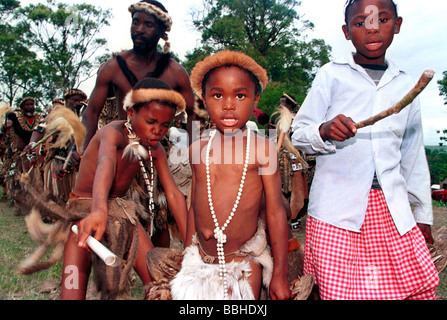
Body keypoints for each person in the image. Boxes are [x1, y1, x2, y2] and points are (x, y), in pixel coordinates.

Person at [291, 0, 439, 300]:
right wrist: (323, 130)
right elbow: (298, 135)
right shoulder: (330, 76)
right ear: (347, 32)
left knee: (408, 288)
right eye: (361, 23)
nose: (372, 28)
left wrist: (422, 214)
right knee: (340, 292)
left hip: (390, 210)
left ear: (397, 25)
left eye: (382, 19)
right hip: (335, 211)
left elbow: (411, 155)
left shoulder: (407, 85)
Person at [170, 50, 291, 300]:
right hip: (199, 261)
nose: (228, 105)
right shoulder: (197, 149)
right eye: (217, 95)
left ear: (255, 100)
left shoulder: (262, 150)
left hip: (243, 264)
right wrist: (187, 252)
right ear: (204, 99)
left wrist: (279, 272)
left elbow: (276, 211)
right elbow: (195, 205)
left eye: (240, 95)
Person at [61, 78, 188, 299]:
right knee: (72, 287)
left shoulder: (154, 148)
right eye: (151, 121)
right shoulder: (113, 133)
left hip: (122, 214)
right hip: (85, 212)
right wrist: (99, 210)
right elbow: (105, 164)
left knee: (159, 283)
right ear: (130, 113)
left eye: (165, 125)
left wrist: (190, 243)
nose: (158, 130)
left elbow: (174, 193)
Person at [82, 0, 195, 151]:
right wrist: (84, 151)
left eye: (148, 25)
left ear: (162, 32)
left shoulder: (175, 72)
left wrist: (194, 155)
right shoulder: (113, 67)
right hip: (121, 148)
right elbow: (92, 112)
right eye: (135, 23)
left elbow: (194, 114)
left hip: (157, 148)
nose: (139, 29)